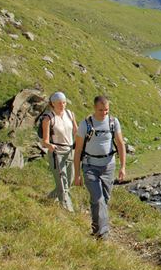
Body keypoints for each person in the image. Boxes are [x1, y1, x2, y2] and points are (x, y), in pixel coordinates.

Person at [74, 95, 126, 239]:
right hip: (90, 166)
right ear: (94, 108)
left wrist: (123, 167)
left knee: (104, 200)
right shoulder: (85, 124)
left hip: (108, 166)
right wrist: (77, 174)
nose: (104, 113)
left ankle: (96, 228)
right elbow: (78, 150)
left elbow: (120, 144)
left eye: (106, 110)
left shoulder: (113, 123)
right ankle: (103, 235)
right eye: (101, 110)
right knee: (98, 199)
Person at [41, 91, 78, 212]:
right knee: (63, 183)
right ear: (53, 104)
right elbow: (45, 141)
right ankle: (68, 210)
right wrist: (50, 146)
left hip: (70, 152)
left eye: (64, 102)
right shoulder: (48, 118)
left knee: (70, 180)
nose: (62, 105)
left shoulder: (70, 114)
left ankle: (48, 199)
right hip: (56, 153)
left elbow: (76, 132)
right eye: (59, 103)